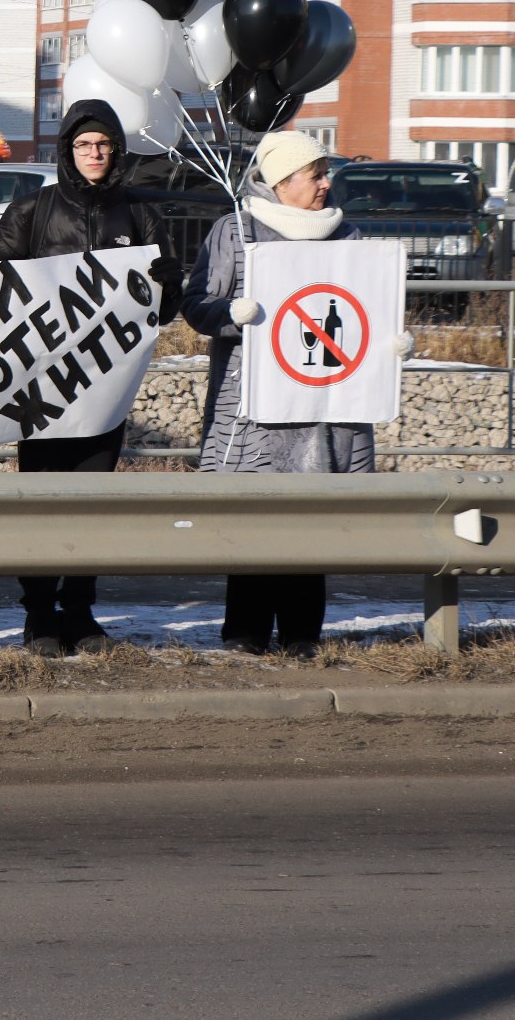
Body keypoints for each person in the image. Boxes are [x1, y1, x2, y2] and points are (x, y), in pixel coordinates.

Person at [0, 99, 186, 657]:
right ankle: (40, 613)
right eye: (84, 145)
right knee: (40, 499)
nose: (95, 154)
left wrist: (169, 284)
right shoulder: (33, 211)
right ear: (68, 150)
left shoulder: (141, 216)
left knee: (92, 499)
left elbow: (163, 312)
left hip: (107, 389)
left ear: (116, 151)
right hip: (42, 388)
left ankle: (80, 610)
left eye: (104, 145)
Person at [183, 129, 394, 658]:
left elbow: (361, 310)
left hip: (323, 405)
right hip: (254, 406)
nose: (326, 184)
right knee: (252, 516)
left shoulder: (347, 237)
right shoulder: (236, 232)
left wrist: (390, 338)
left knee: (312, 516)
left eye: (326, 174)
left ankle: (303, 633)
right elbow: (197, 304)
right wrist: (229, 316)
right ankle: (246, 631)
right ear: (282, 181)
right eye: (316, 174)